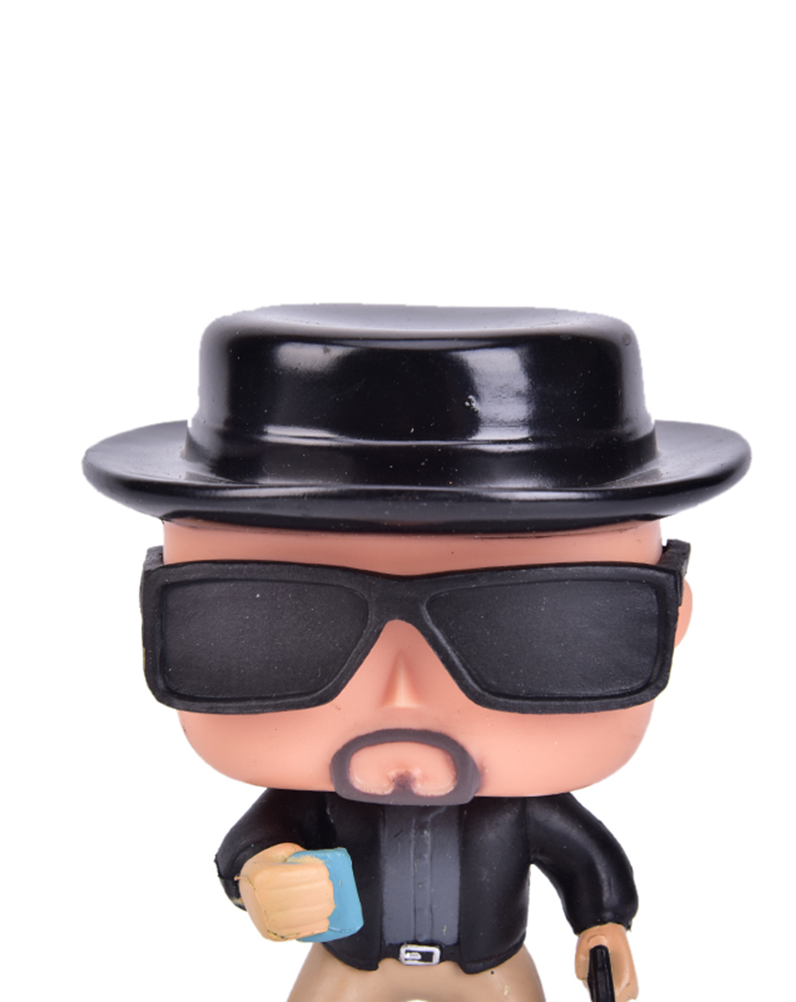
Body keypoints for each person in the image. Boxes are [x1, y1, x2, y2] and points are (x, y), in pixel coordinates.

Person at [84, 304, 750, 1002]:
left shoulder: (521, 813)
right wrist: (265, 875)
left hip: (488, 968)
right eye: (282, 626)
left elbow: (586, 862)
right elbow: (252, 846)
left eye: (532, 633)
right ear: (154, 629)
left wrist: (603, 925)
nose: (401, 697)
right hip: (350, 965)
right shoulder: (315, 809)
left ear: (671, 623)